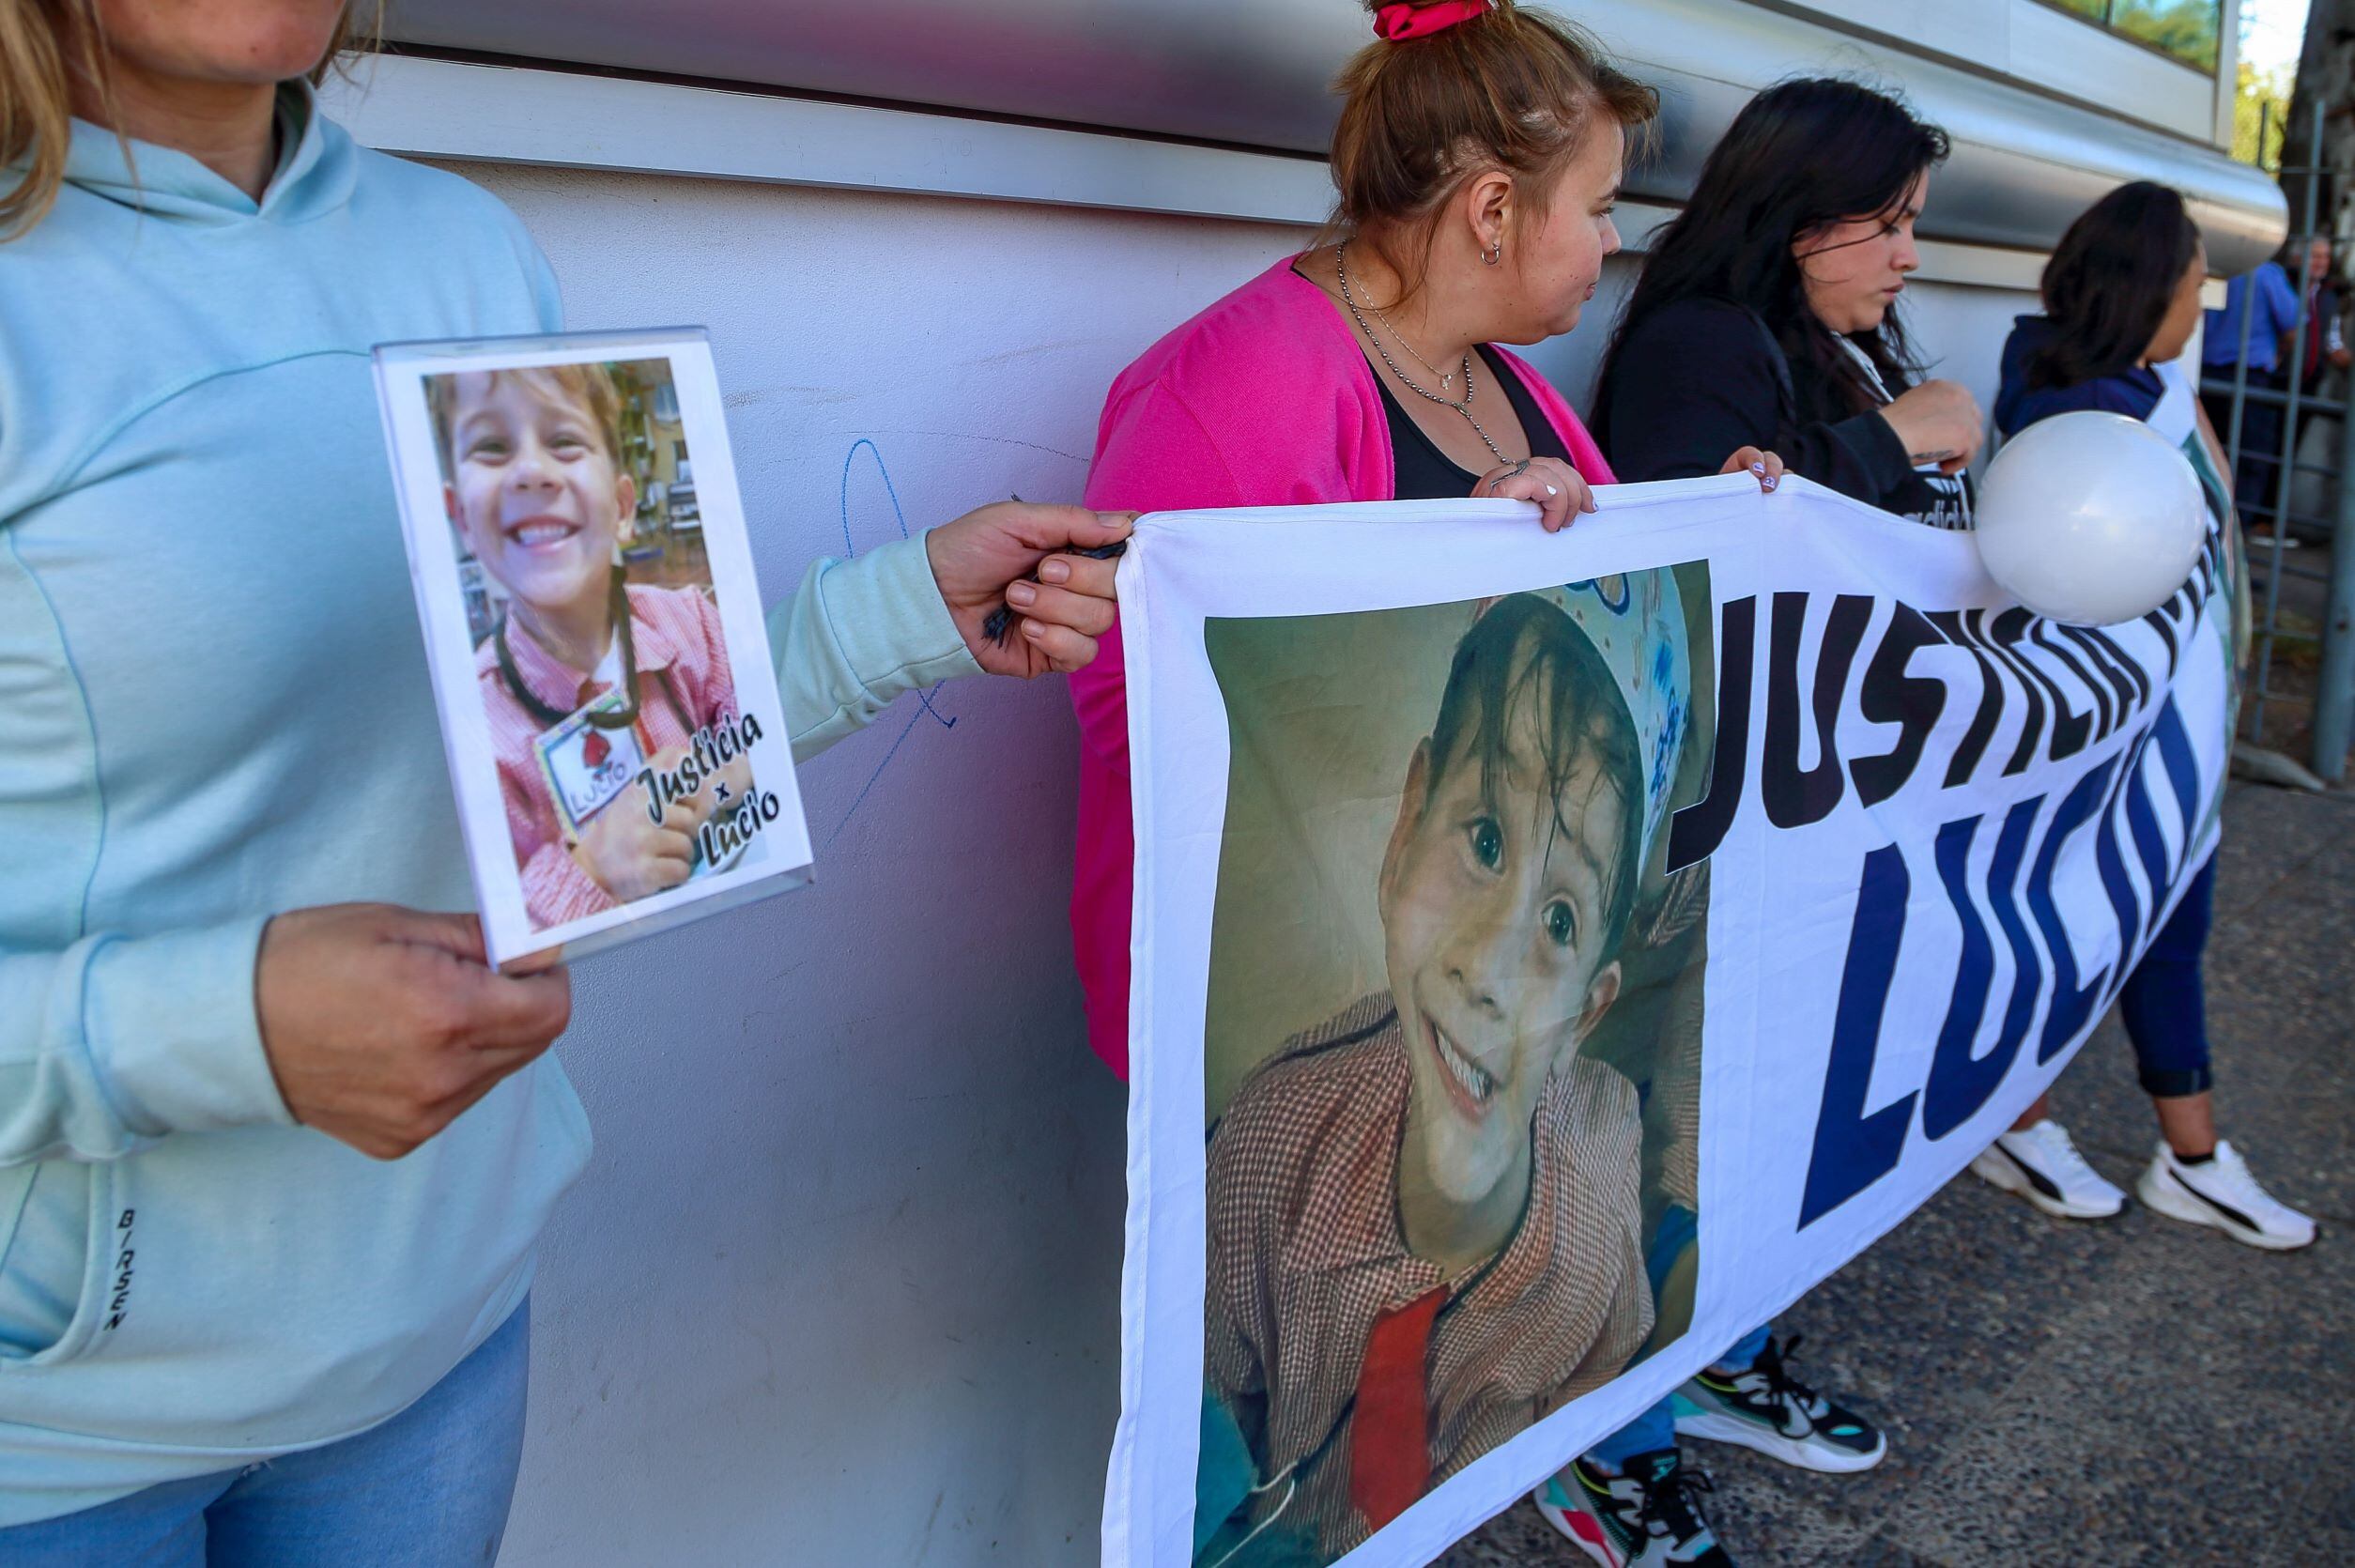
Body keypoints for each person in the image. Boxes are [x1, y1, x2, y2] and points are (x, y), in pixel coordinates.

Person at [0, 1, 1130, 1557]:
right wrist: (215, 1031)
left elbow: (586, 773)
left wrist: (891, 618)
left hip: (438, 1353)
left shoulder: (463, 251)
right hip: (57, 1441)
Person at [1544, 77, 1962, 1568]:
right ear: (1798, 217)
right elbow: (1709, 542)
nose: (1909, 254)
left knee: (1751, 1108)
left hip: (1792, 813)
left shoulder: (1808, 341)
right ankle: (1612, 1445)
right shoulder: (1701, 343)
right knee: (1659, 1117)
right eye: (1888, 221)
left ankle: (1718, 1353)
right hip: (1699, 820)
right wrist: (1896, 440)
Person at [1199, 592, 1655, 1566]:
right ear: (1406, 828)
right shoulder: (1266, 1153)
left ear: (1587, 1015)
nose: (1489, 970)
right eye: (1485, 840)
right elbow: (1204, 1423)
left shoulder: (1596, 1246)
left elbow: (1603, 1365)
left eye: (1561, 920)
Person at [1980, 180, 2315, 1252]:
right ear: (2148, 289)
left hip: (2166, 713)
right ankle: (2038, 1126)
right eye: (2194, 285)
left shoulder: (2128, 384)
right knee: (2083, 920)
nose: (2203, 306)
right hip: (2111, 725)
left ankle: (2179, 1153)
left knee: (2162, 923)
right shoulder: (2081, 404)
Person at [432, 363, 755, 928]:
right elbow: (493, 933)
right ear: (461, 520)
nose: (531, 471)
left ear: (623, 509)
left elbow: (766, 734)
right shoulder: (472, 731)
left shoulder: (694, 624)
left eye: (564, 441)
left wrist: (711, 780)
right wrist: (594, 869)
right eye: (492, 447)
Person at [2198, 244, 2301, 533]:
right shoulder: (2266, 274)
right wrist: (2278, 354)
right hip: (2250, 379)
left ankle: (2208, 526)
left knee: (2209, 454)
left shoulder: (2215, 267)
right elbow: (2293, 325)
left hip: (2206, 375)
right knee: (2250, 459)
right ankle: (2236, 535)